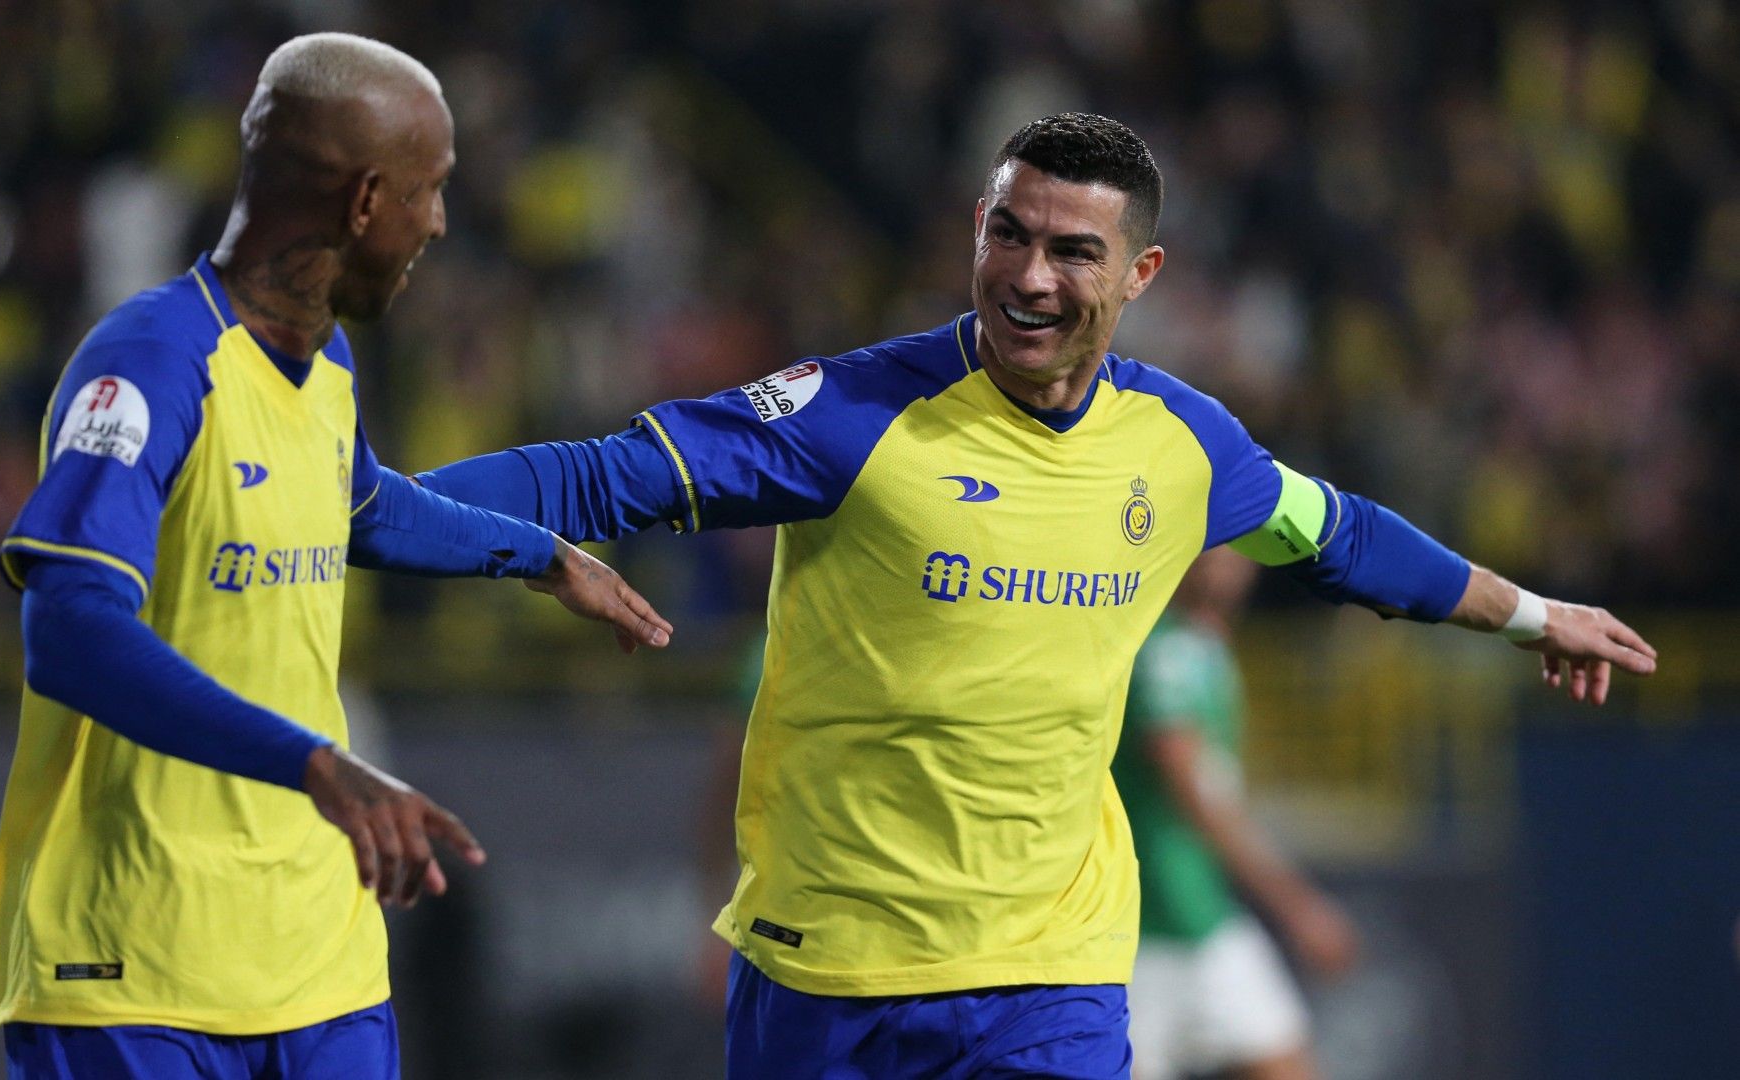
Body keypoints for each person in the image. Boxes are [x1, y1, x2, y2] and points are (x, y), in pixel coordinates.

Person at [414, 112, 1657, 1078]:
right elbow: (598, 474)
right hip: (826, 965)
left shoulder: (1184, 444)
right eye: (1008, 234)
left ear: (1141, 272)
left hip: (1049, 974)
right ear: (975, 228)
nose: (1030, 276)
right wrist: (371, 512)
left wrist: (1536, 618)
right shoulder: (851, 417)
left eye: (1074, 250)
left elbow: (1343, 537)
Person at [0, 33, 672, 1080]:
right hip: (136, 975)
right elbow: (68, 630)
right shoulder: (149, 366)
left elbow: (362, 507)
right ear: (364, 203)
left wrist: (540, 557)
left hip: (317, 966)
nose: (438, 222)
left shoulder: (324, 360)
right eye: (429, 193)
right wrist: (313, 762)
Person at [1114, 545, 1354, 1080]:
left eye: (1238, 548)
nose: (1224, 561)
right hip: (1140, 934)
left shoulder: (1203, 645)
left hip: (1205, 917)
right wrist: (1296, 905)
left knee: (1287, 1062)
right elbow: (1190, 786)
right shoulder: (1163, 648)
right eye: (1209, 546)